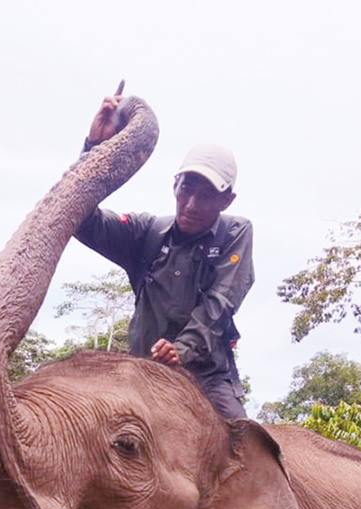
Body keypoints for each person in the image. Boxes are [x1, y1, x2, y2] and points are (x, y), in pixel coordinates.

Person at [75, 92, 254, 420]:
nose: (191, 204)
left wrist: (181, 350)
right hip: (143, 374)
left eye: (206, 195)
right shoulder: (146, 232)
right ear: (175, 185)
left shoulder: (234, 234)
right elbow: (82, 220)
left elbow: (219, 303)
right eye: (186, 189)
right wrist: (95, 149)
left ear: (227, 200)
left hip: (206, 378)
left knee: (244, 439)